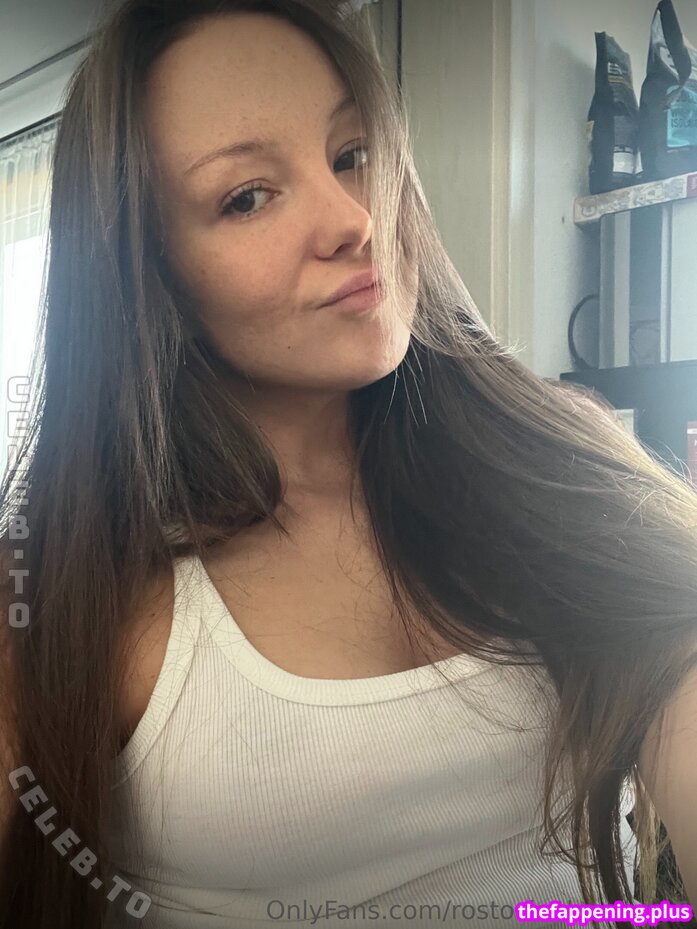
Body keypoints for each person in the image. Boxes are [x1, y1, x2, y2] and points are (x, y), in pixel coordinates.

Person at [1, 1, 696, 927]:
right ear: (147, 273)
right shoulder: (63, 589)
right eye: (247, 196)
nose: (353, 219)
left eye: (353, 154)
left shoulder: (552, 448)